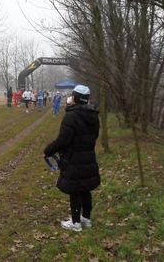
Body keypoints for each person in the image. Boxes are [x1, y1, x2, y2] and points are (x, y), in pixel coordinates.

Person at [44, 85, 100, 232]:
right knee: (86, 188)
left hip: (73, 159)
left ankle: (75, 223)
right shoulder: (94, 116)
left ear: (74, 98)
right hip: (88, 158)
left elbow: (62, 140)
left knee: (75, 190)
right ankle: (86, 219)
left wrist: (48, 151)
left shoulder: (71, 116)